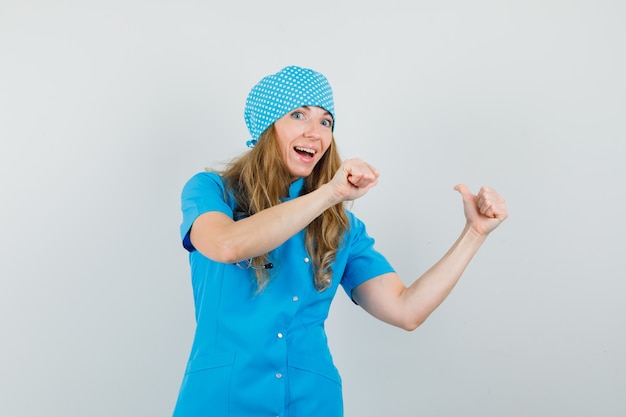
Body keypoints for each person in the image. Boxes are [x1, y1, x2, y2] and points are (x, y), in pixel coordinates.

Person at [172, 65, 508, 417]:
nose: (315, 132)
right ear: (267, 126)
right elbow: (228, 245)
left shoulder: (342, 226)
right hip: (221, 400)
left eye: (325, 121)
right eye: (298, 114)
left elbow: (406, 310)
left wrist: (473, 234)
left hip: (312, 402)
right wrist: (331, 192)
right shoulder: (211, 191)